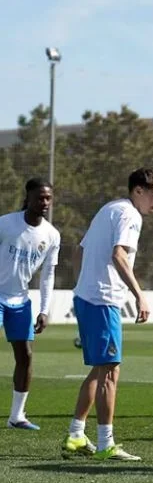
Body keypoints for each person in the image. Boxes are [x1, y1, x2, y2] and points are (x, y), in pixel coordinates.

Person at [63, 168, 153, 462]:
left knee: (100, 369)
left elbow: (78, 251)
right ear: (138, 191)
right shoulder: (130, 215)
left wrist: (82, 285)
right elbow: (119, 255)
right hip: (103, 300)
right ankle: (105, 442)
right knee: (111, 370)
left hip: (88, 297)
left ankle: (75, 434)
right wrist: (140, 295)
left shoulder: (110, 208)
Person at [2, 179, 60, 431]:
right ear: (29, 197)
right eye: (40, 197)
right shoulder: (6, 223)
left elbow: (48, 275)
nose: (44, 203)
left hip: (20, 301)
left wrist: (45, 309)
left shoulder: (52, 235)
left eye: (48, 198)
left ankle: (17, 416)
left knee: (25, 356)